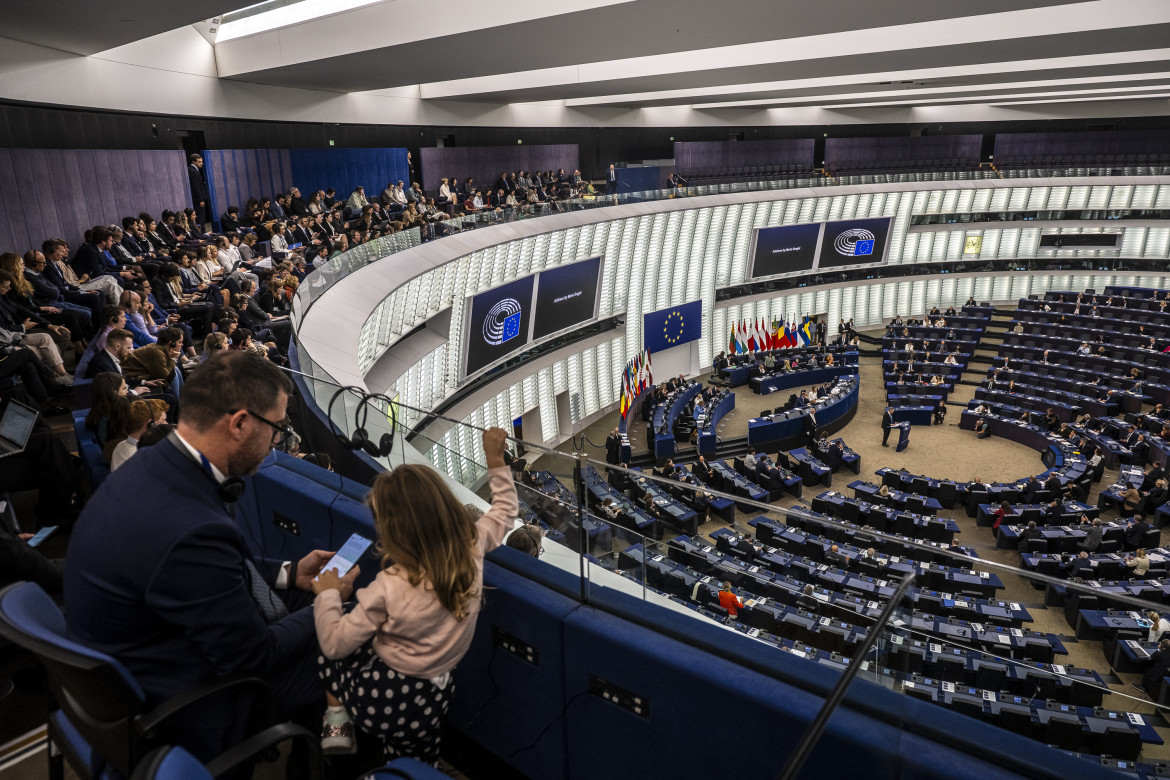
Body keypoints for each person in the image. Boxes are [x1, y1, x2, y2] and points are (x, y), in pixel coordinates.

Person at [65, 352, 358, 763]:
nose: (277, 442)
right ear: (239, 424)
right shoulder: (191, 530)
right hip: (183, 697)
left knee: (316, 607)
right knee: (350, 643)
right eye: (276, 428)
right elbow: (253, 656)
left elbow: (213, 571)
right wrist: (331, 602)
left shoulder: (154, 463)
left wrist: (292, 574)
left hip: (143, 652)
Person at [313, 426, 517, 762]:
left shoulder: (388, 587)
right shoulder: (472, 547)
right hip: (432, 697)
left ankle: (337, 722)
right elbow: (506, 512)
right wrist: (495, 459)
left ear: (393, 531)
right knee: (417, 751)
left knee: (326, 641)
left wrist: (328, 594)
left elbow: (335, 644)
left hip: (381, 698)